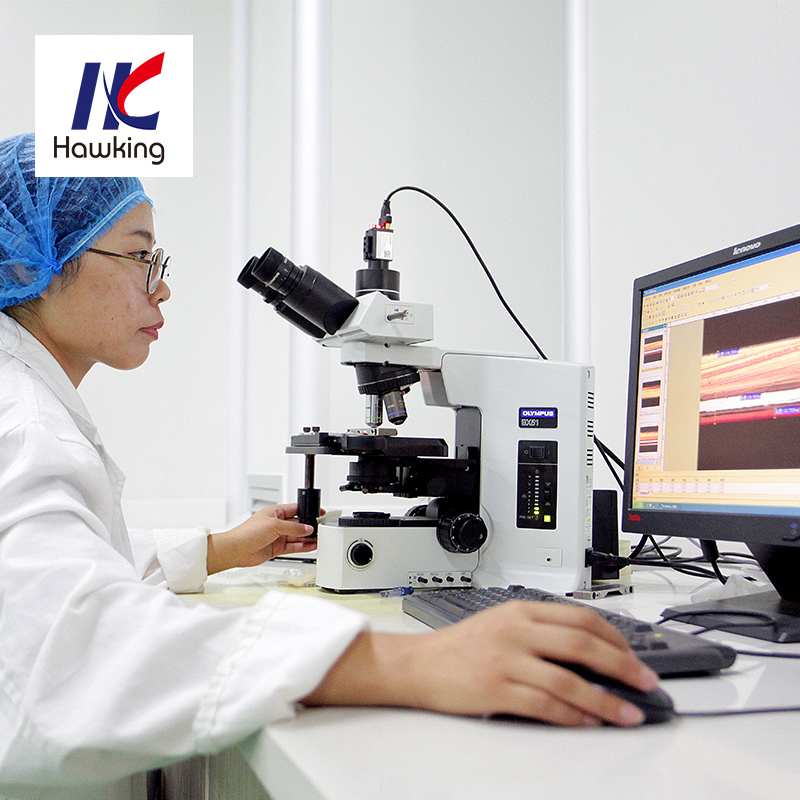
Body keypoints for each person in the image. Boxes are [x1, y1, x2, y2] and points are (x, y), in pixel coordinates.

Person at [0, 132, 659, 800]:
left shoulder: (27, 402)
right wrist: (413, 661)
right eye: (142, 257)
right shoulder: (25, 425)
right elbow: (73, 652)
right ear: (32, 269)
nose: (163, 287)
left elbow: (60, 567)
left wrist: (219, 549)